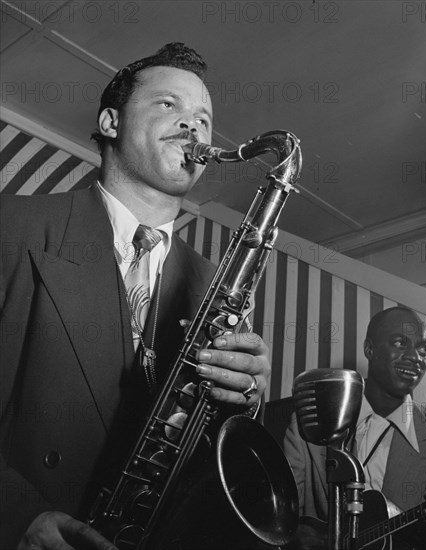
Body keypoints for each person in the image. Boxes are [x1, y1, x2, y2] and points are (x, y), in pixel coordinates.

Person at [0, 43, 271, 549]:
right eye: (168, 104)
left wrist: (243, 399)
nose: (193, 127)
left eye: (204, 119)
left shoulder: (217, 283)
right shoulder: (11, 226)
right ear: (110, 121)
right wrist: (16, 518)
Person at [283, 306, 426, 550]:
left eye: (423, 349)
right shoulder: (311, 420)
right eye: (400, 343)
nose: (416, 357)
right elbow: (279, 519)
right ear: (369, 349)